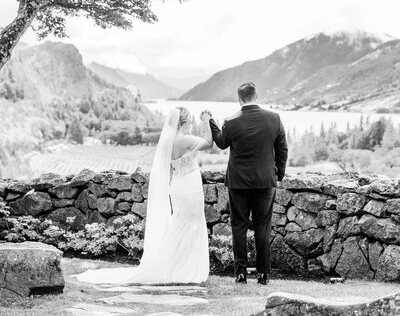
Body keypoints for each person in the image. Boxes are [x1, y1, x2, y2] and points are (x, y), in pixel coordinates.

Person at [77, 106, 213, 285]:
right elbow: (210, 143)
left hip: (178, 186)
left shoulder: (169, 141)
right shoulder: (185, 139)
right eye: (191, 120)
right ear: (185, 121)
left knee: (181, 224)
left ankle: (178, 266)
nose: (191, 123)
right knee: (191, 224)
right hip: (189, 186)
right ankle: (184, 268)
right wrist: (207, 121)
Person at [207, 81, 288, 285]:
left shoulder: (231, 121)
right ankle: (263, 274)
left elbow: (222, 143)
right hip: (265, 181)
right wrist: (278, 175)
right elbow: (282, 150)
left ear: (239, 99)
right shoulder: (274, 118)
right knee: (263, 227)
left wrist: (212, 123)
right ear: (256, 96)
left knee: (239, 227)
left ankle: (241, 273)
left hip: (238, 182)